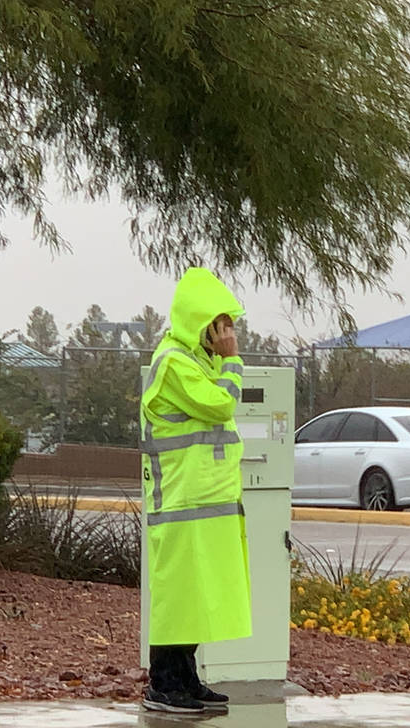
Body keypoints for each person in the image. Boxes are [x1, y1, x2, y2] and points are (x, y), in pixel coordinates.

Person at [139, 267, 250, 713]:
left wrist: (219, 361)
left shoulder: (196, 362)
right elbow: (221, 403)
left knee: (197, 594)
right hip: (181, 500)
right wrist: (232, 360)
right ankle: (163, 686)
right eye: (220, 324)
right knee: (178, 595)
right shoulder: (174, 363)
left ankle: (186, 678)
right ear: (200, 322)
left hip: (204, 500)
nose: (227, 333)